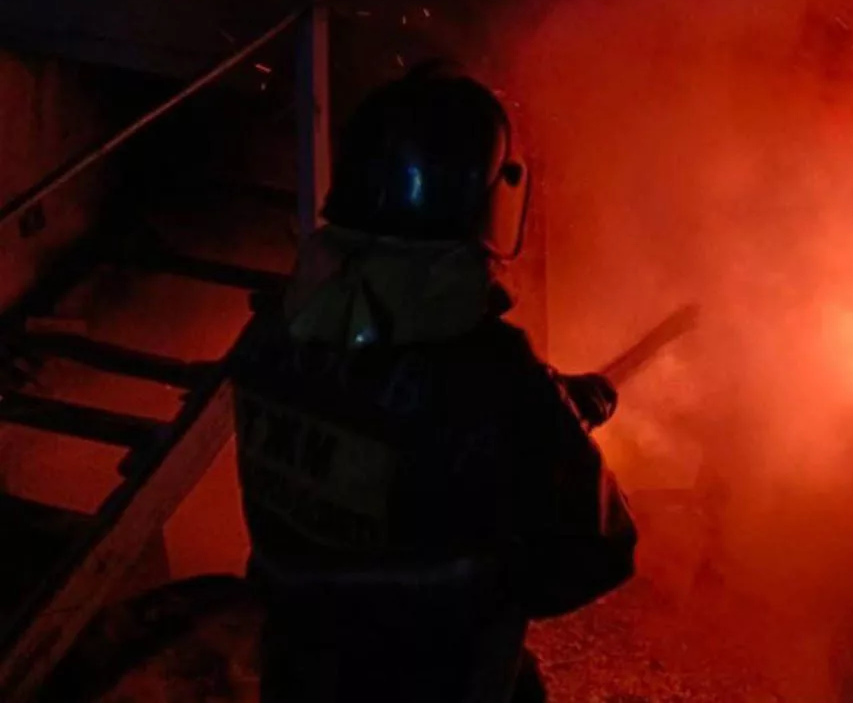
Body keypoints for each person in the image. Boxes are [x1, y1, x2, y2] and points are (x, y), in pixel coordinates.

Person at [229, 61, 637, 702]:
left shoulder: (269, 334)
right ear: (495, 199)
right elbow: (593, 556)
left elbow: (379, 410)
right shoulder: (493, 376)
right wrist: (544, 439)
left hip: (299, 678)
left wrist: (537, 416)